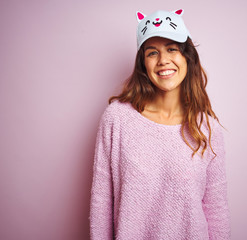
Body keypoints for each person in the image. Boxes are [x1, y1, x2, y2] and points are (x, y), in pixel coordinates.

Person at [90, 9, 231, 240]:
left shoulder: (207, 128)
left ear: (187, 56)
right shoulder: (117, 119)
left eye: (172, 49)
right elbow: (101, 204)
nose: (163, 60)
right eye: (152, 52)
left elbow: (216, 211)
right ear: (143, 63)